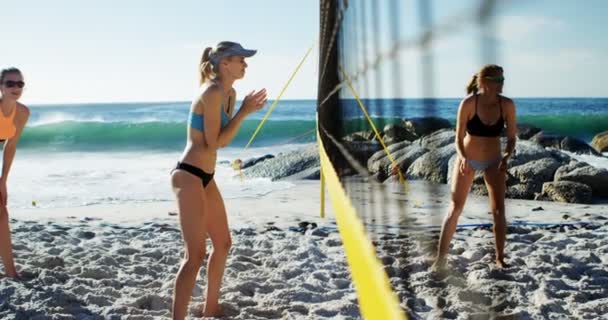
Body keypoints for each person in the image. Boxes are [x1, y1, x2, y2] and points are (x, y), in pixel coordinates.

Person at [170, 42, 267, 319]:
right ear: (225, 63)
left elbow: (219, 139)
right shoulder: (212, 92)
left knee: (223, 244)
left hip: (206, 177)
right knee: (195, 256)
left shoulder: (229, 93)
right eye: (241, 60)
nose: (245, 65)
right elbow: (215, 143)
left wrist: (241, 109)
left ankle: (209, 310)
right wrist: (244, 113)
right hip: (188, 175)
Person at [432, 64, 516, 271]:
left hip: (494, 161)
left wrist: (506, 155)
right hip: (468, 159)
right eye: (498, 80)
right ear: (484, 82)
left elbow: (512, 138)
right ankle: (440, 259)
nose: (502, 84)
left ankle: (499, 258)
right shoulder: (469, 103)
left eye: (503, 79)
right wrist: (462, 157)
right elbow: (458, 137)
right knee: (454, 208)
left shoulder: (507, 105)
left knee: (498, 210)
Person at [0, 67, 30, 279]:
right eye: (10, 83)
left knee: (2, 215)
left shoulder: (22, 113)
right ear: (1, 87)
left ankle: (11, 272)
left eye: (19, 84)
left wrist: (3, 180)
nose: (15, 88)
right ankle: (11, 273)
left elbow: (10, 148)